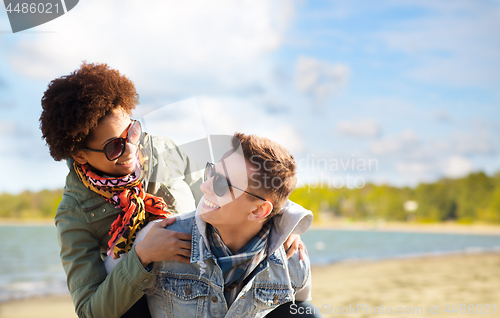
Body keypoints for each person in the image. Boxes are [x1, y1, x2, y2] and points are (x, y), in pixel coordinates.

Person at [40, 62, 307, 318]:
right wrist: (142, 256)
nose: (131, 150)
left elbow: (225, 194)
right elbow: (90, 310)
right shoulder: (75, 214)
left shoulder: (165, 151)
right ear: (80, 154)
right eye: (114, 147)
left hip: (208, 289)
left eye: (132, 132)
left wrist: (279, 226)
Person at [142, 132, 322, 318]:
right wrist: (141, 257)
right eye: (211, 172)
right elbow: (115, 300)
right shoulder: (160, 240)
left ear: (259, 211)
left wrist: (287, 228)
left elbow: (300, 301)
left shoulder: (292, 258)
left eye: (221, 183)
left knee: (307, 313)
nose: (204, 187)